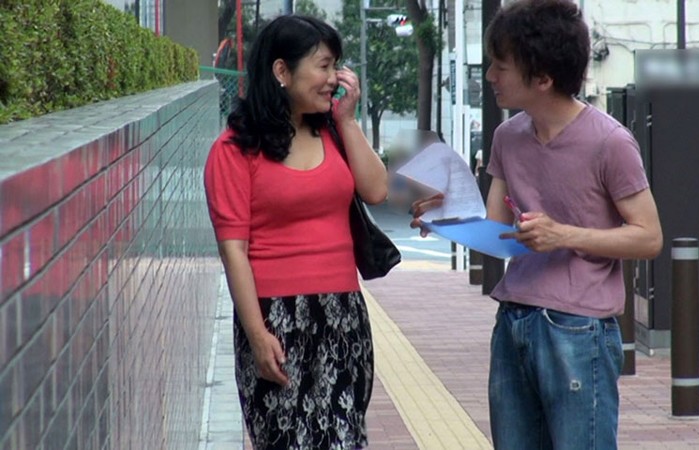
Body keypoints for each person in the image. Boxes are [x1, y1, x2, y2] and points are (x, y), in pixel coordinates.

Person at [411, 0, 662, 448]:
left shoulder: (610, 142)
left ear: (543, 78)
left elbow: (649, 237)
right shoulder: (508, 136)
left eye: (501, 66)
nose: (491, 75)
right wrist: (444, 216)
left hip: (579, 327)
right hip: (514, 319)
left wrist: (562, 235)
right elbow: (495, 228)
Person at [203, 15, 387, 450]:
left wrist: (348, 120)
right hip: (275, 320)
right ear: (282, 71)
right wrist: (256, 334)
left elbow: (377, 190)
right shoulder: (234, 148)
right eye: (323, 66)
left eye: (335, 66)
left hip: (342, 314)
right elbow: (234, 251)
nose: (334, 78)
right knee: (285, 440)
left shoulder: (334, 131)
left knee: (344, 439)